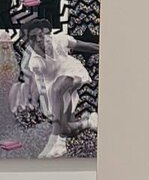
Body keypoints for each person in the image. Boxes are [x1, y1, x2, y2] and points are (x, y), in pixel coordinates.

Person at [20, 19, 99, 159]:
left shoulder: (59, 40)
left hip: (72, 72)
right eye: (33, 37)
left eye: (40, 35)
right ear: (27, 41)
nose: (39, 39)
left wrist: (107, 48)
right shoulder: (34, 63)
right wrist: (33, 102)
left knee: (57, 88)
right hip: (55, 88)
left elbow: (85, 46)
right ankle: (88, 122)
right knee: (68, 129)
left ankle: (55, 139)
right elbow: (38, 85)